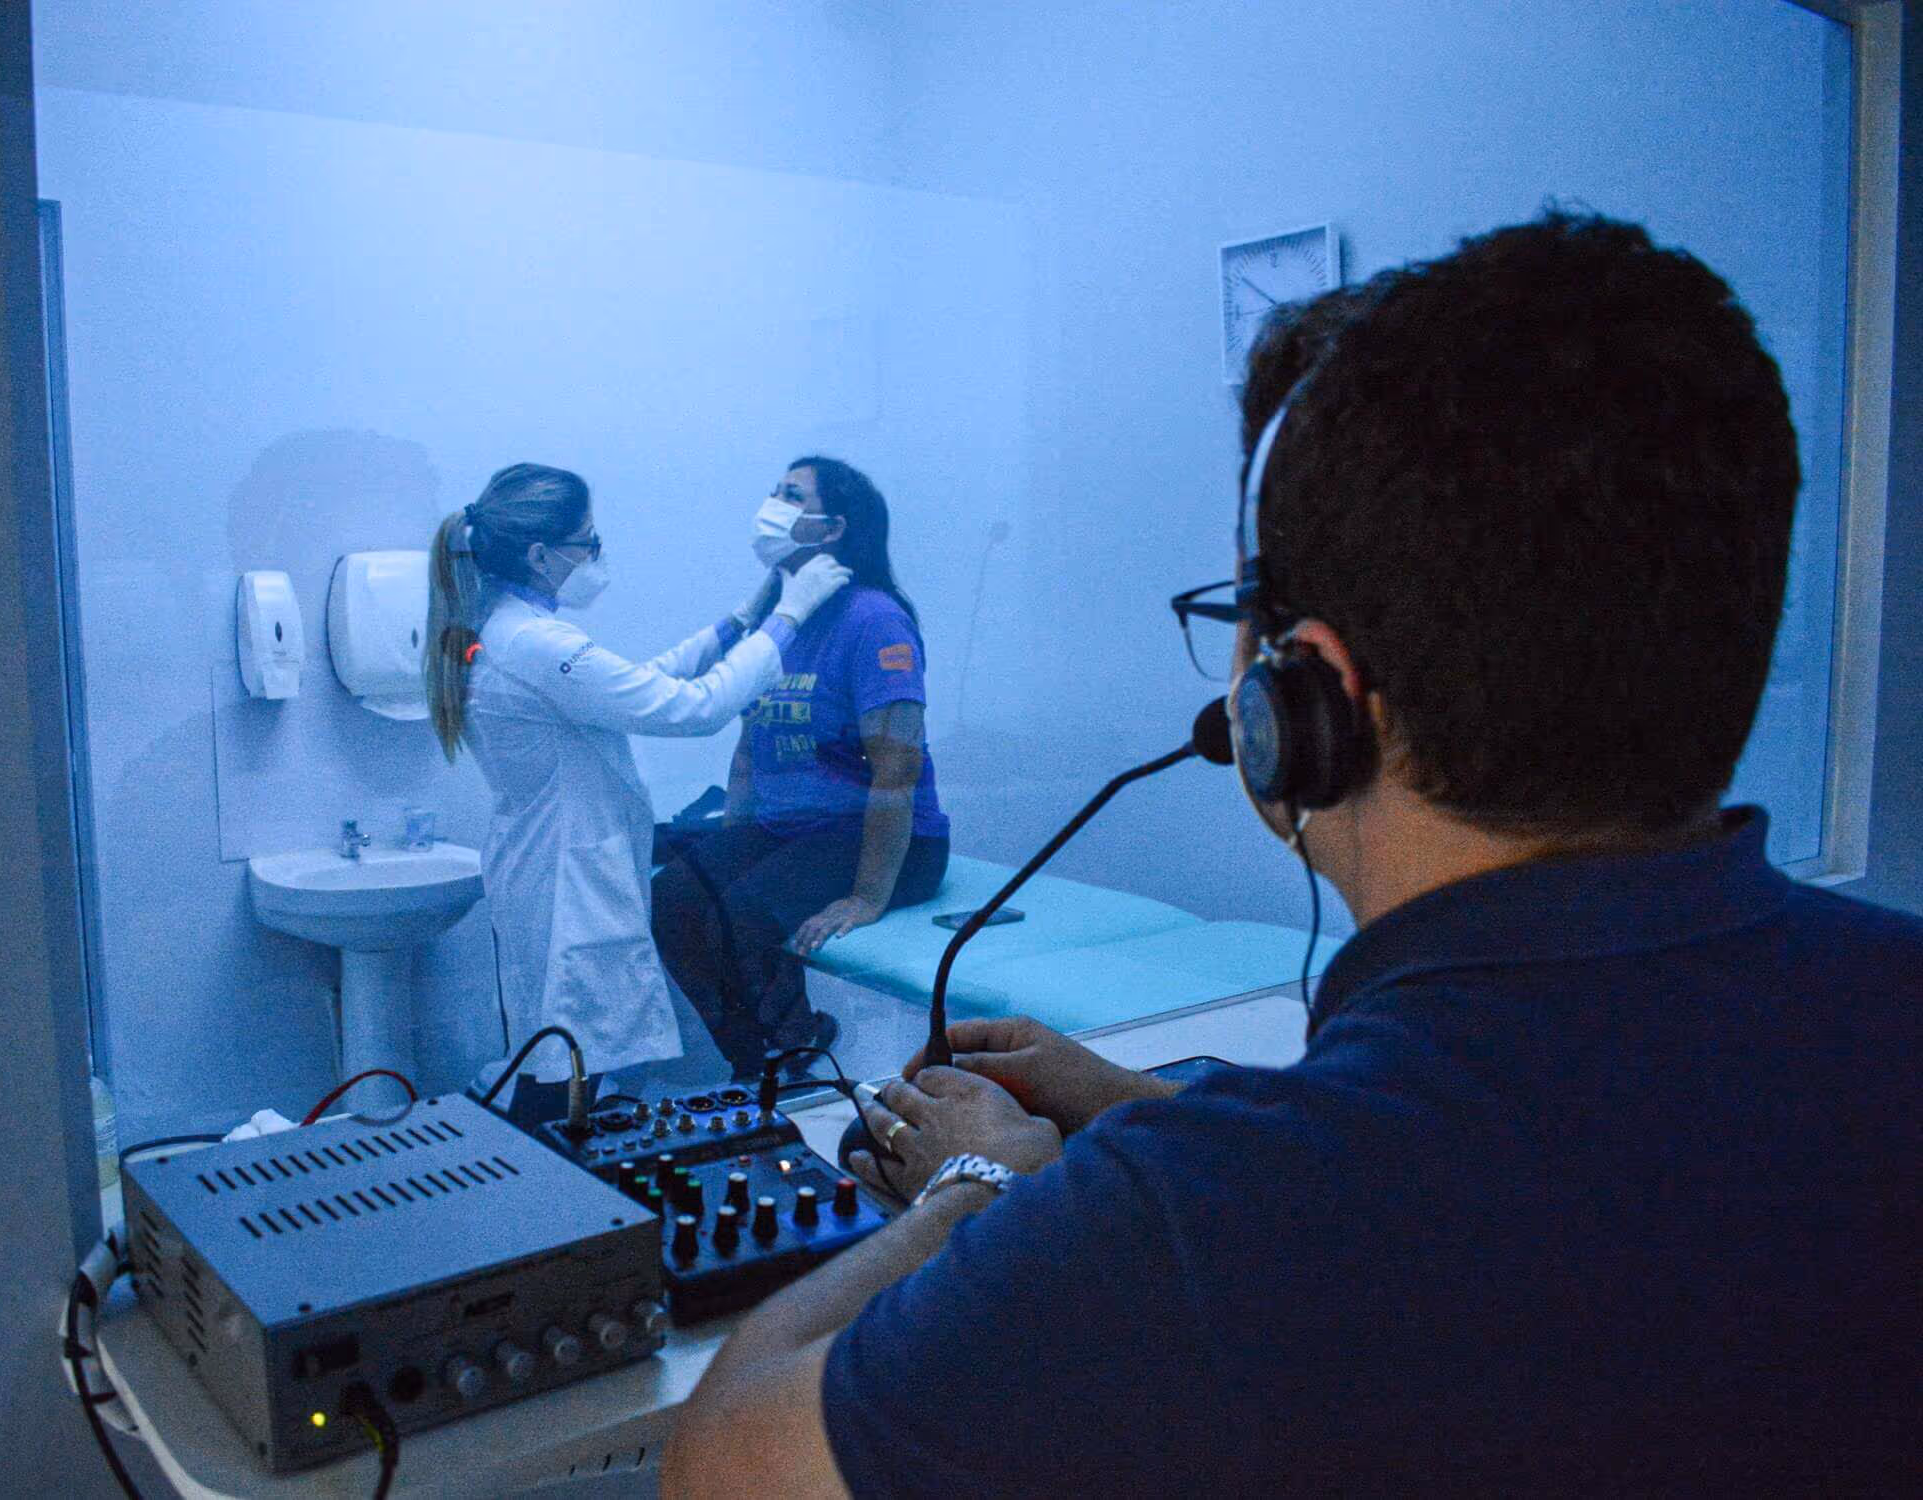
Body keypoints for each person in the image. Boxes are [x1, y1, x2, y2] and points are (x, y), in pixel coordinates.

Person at [662, 214, 1923, 1496]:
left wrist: (983, 1188)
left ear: (1298, 700)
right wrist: (1162, 1113)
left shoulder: (1187, 1243)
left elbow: (724, 1464)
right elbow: (1550, 1172)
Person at [425, 462, 851, 1124]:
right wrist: (789, 617)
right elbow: (692, 708)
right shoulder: (535, 642)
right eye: (587, 542)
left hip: (551, 863)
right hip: (568, 878)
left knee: (565, 1056)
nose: (596, 556)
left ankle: (550, 1166)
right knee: (565, 1065)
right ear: (539, 555)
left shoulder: (508, 626)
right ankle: (542, 1178)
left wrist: (738, 623)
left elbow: (632, 684)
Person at [650, 457, 951, 1081]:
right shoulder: (780, 621)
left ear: (834, 528)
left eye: (792, 496)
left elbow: (897, 768)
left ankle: (793, 1055)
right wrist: (732, 843)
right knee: (672, 899)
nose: (772, 507)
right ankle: (753, 1058)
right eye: (774, 492)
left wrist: (868, 896)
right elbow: (749, 745)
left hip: (886, 839)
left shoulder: (874, 620)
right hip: (791, 829)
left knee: (743, 917)